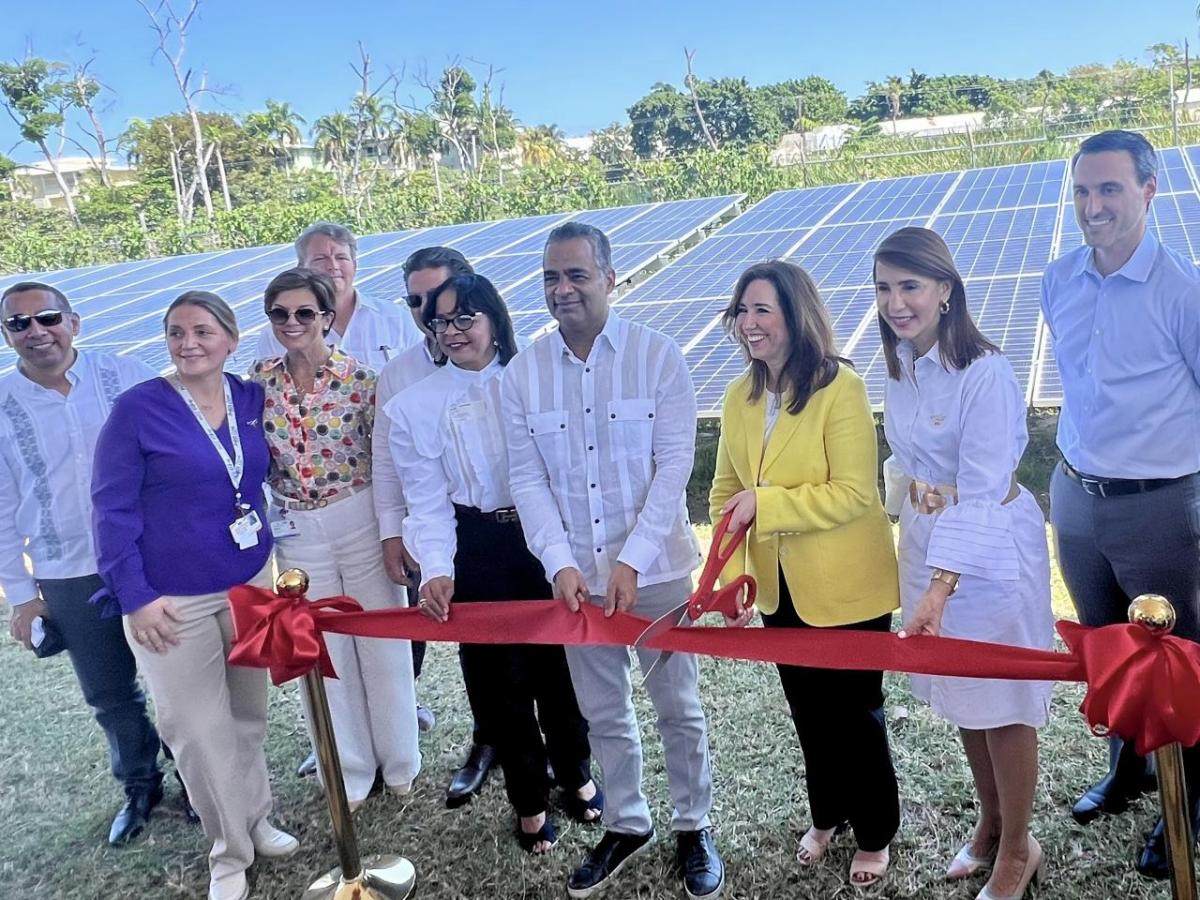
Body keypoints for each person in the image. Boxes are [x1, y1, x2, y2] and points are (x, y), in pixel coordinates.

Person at [503, 222, 723, 899]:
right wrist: (559, 562)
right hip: (576, 582)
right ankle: (628, 822)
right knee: (603, 713)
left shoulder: (658, 357)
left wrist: (633, 557)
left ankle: (694, 825)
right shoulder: (523, 374)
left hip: (654, 574)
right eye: (550, 277)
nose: (561, 289)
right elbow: (527, 479)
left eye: (575, 274)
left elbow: (673, 467)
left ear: (609, 277)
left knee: (677, 707)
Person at [92, 291, 296, 900]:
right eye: (176, 333)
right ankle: (228, 853)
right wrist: (135, 596)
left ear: (231, 340)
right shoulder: (137, 410)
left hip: (251, 584)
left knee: (247, 716)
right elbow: (111, 508)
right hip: (170, 601)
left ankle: (257, 820)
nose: (189, 343)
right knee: (198, 731)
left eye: (204, 331)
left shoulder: (251, 398)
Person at [390, 272, 600, 853]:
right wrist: (437, 567)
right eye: (441, 321)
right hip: (475, 545)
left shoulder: (534, 378)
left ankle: (578, 773)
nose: (454, 331)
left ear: (493, 318)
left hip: (546, 540)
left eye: (466, 317)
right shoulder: (412, 406)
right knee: (496, 681)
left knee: (563, 671)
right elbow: (426, 498)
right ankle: (529, 802)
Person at [707, 260, 900, 889]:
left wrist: (769, 503)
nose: (749, 323)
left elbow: (852, 494)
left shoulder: (839, 386)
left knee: (855, 716)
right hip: (777, 591)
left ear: (796, 314)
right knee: (808, 713)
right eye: (742, 310)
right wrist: (736, 578)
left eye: (763, 309)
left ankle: (874, 833)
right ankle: (828, 813)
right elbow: (723, 495)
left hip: (847, 590)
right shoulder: (739, 397)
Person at [1041, 128, 1200, 879]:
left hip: (1162, 507)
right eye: (1082, 191)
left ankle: (1192, 802)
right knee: (1109, 650)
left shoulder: (1183, 291)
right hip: (1076, 496)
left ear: (1148, 190)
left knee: (1178, 660)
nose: (1093, 206)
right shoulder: (1058, 278)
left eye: (1108, 189)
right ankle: (1129, 769)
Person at [877, 228, 1054, 900]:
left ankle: (1018, 848)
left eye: (911, 286)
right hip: (926, 541)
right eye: (886, 288)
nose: (896, 302)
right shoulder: (898, 361)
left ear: (945, 290)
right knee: (961, 697)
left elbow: (979, 490)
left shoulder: (985, 373)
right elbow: (907, 463)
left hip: (986, 555)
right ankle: (989, 821)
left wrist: (941, 589)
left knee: (1002, 700)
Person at [256, 221, 424, 779]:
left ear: (327, 317)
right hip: (298, 530)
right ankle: (348, 765)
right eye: (280, 314)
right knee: (323, 648)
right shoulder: (257, 384)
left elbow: (391, 460)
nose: (292, 324)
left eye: (305, 313)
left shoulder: (364, 380)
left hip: (359, 515)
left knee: (380, 640)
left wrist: (394, 529)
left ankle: (399, 758)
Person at [0, 281, 166, 847]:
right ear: (7, 335)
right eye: (18, 324)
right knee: (109, 691)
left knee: (177, 678)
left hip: (150, 557)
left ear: (74, 321)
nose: (35, 331)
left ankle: (199, 777)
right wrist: (22, 594)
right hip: (66, 568)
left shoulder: (128, 375)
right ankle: (141, 784)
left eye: (46, 317)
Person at [373, 246, 498, 807]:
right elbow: (384, 458)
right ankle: (486, 742)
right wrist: (390, 531)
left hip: (522, 530)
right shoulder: (399, 374)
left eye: (439, 298)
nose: (431, 313)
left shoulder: (510, 362)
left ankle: (555, 753)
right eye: (417, 302)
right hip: (450, 529)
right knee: (476, 648)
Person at [255, 221, 421, 369]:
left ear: (354, 265)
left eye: (341, 257)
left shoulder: (398, 319)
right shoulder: (278, 333)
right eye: (320, 259)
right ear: (301, 267)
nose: (333, 266)